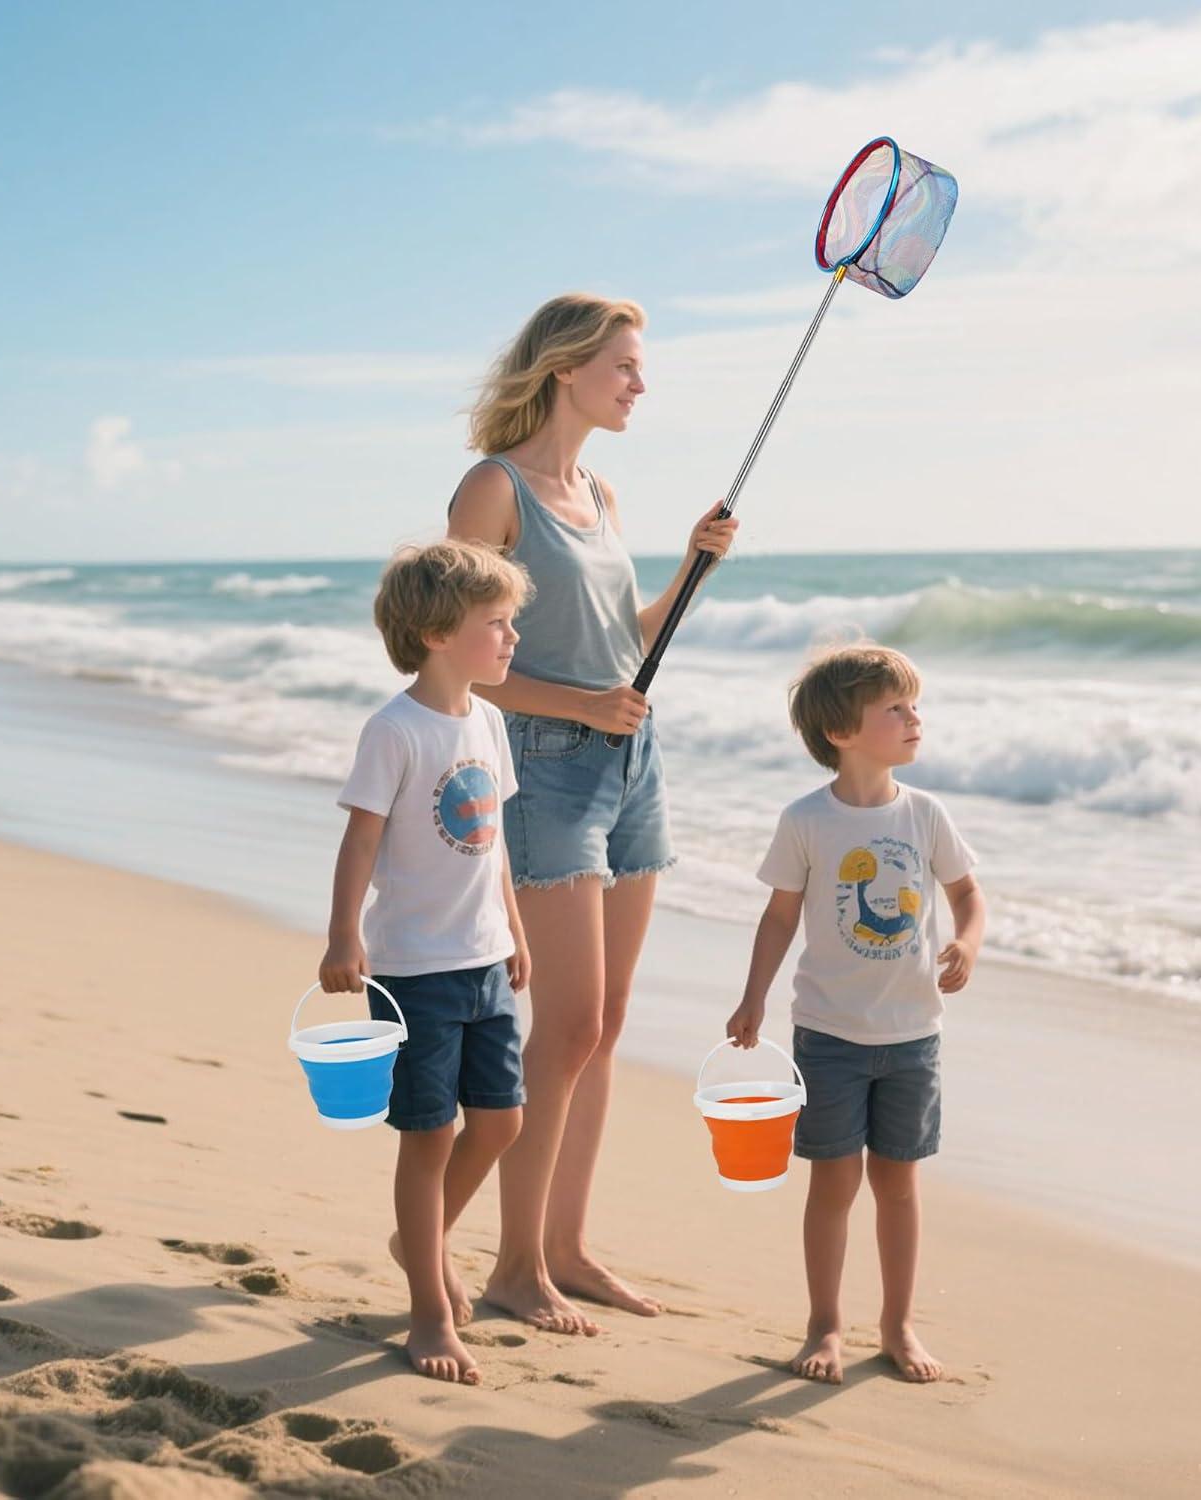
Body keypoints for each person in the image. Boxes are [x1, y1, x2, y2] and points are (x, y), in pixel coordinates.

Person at [448, 292, 737, 1334]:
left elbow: (628, 635)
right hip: (546, 767)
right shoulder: (494, 491)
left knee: (604, 1027)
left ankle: (565, 1250)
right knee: (562, 1025)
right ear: (566, 367)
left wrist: (692, 570)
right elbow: (458, 664)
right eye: (624, 364)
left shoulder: (602, 495)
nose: (639, 382)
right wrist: (577, 706)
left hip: (634, 765)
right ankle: (511, 1267)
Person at [726, 643, 986, 1384]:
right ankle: (825, 1324)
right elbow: (779, 918)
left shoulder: (926, 814)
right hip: (830, 1035)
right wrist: (754, 996)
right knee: (833, 1185)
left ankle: (898, 1324)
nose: (914, 718)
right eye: (895, 709)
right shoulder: (807, 820)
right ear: (842, 732)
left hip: (913, 1037)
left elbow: (968, 894)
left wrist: (966, 941)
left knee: (898, 1184)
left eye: (914, 705)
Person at [319, 539, 533, 1385]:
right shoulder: (394, 730)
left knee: (503, 1120)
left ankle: (421, 1240)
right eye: (497, 623)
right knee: (429, 1135)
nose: (512, 637)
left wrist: (514, 929)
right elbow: (360, 836)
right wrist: (344, 936)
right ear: (439, 634)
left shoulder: (490, 721)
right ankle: (429, 1312)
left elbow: (496, 844)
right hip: (412, 969)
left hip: (483, 958)